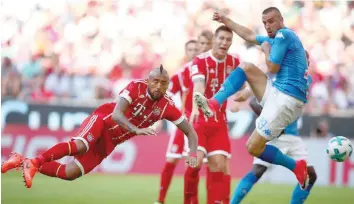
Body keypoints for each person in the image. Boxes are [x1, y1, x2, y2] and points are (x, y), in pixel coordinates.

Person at [1, 65, 199, 188]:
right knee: (80, 146)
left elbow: (190, 132)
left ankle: (21, 161)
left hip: (111, 141)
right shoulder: (135, 87)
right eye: (155, 81)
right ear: (148, 80)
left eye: (163, 83)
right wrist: (137, 130)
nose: (158, 86)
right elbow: (117, 114)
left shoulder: (167, 106)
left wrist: (192, 153)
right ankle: (35, 161)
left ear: (167, 86)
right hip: (103, 121)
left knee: (70, 173)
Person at [194, 7, 310, 189]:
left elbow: (272, 68)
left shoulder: (284, 35)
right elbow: (249, 35)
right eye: (264, 23)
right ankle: (214, 103)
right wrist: (226, 21)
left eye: (271, 21)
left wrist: (265, 49)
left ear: (281, 20)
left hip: (287, 99)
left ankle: (296, 166)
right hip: (278, 93)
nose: (267, 26)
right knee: (247, 67)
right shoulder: (277, 38)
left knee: (253, 147)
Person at [155, 32, 213, 204]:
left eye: (197, 48)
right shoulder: (181, 74)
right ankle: (160, 200)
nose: (194, 52)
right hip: (184, 123)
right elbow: (167, 94)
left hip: (204, 123)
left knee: (205, 163)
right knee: (172, 160)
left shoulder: (207, 68)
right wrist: (159, 118)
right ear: (186, 52)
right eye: (190, 49)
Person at [185, 25, 240, 203]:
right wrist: (195, 108)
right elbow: (198, 86)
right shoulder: (200, 61)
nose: (224, 42)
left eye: (228, 39)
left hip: (219, 123)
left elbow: (242, 86)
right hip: (199, 121)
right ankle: (189, 201)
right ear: (214, 40)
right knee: (195, 163)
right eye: (221, 38)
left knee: (219, 165)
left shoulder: (234, 62)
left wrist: (238, 99)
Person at [230, 96, 317, 204]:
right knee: (258, 170)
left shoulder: (304, 81)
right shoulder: (277, 83)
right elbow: (253, 102)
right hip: (276, 135)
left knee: (310, 175)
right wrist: (273, 123)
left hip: (294, 137)